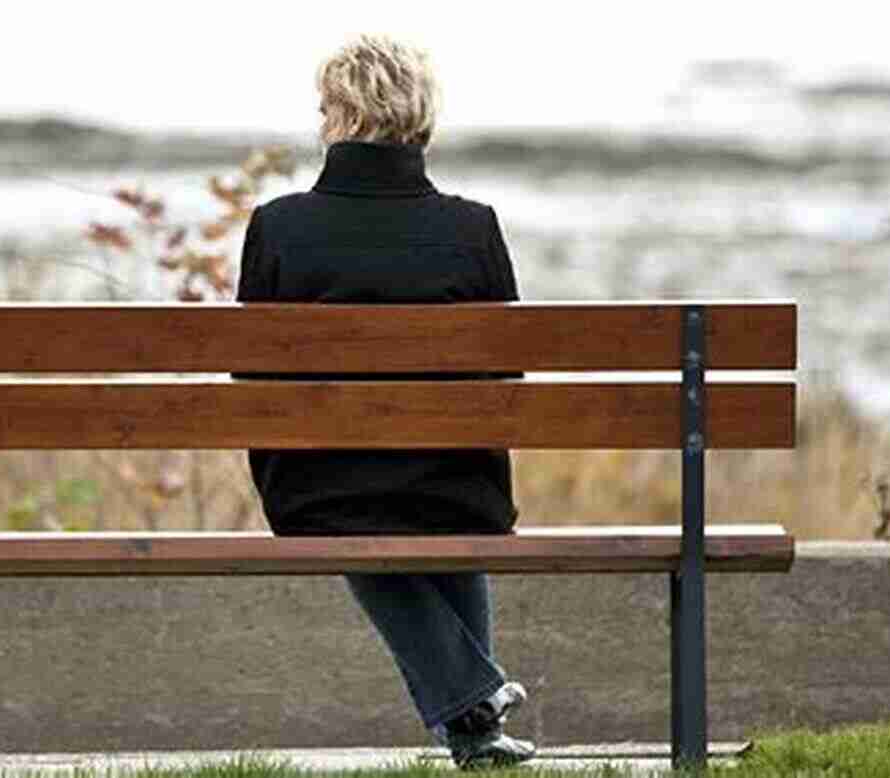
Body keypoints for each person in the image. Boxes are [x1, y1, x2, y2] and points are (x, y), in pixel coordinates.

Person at [231, 33, 536, 770]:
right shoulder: (473, 228)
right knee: (440, 488)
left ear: (334, 115)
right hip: (454, 484)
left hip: (319, 491)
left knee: (359, 502)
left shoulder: (279, 226)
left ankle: (474, 711)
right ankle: (477, 712)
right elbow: (508, 381)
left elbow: (249, 381)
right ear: (420, 117)